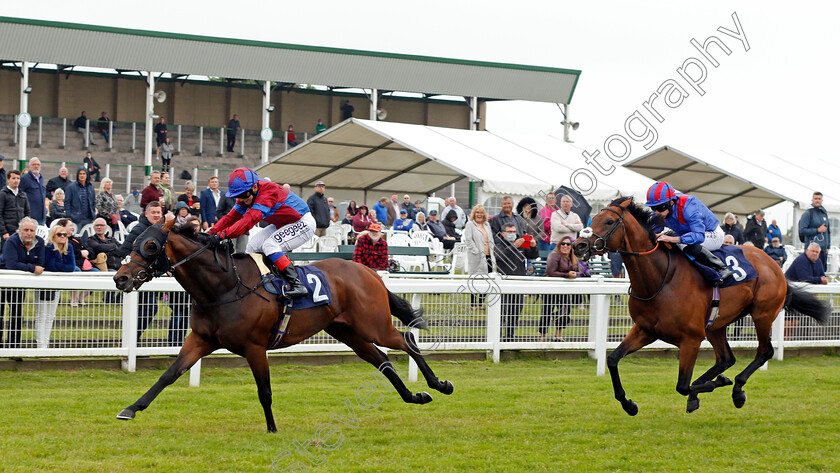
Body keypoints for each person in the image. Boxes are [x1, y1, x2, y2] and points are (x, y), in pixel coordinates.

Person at [209, 168, 314, 298]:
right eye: (237, 196)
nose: (241, 200)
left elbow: (249, 221)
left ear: (254, 187)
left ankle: (297, 284)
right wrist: (211, 233)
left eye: (243, 195)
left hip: (303, 222)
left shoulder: (268, 192)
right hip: (283, 224)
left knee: (270, 245)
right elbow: (230, 218)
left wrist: (222, 235)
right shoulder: (246, 194)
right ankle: (260, 280)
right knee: (252, 246)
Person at [646, 181, 733, 286]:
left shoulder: (689, 207)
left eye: (660, 208)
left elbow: (699, 237)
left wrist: (671, 239)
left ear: (671, 203)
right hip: (689, 233)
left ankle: (721, 268)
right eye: (653, 208)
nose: (657, 213)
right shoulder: (662, 211)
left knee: (687, 246)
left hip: (711, 234)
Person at [119, 201, 165, 341]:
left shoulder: (159, 230)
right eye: (153, 212)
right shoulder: (140, 229)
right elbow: (125, 250)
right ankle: (130, 341)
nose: (156, 215)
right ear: (146, 213)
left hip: (146, 276)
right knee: (148, 308)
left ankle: (131, 341)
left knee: (148, 309)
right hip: (137, 276)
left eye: (158, 212)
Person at [0, 217, 45, 347]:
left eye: (32, 230)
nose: (29, 233)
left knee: (17, 314)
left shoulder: (40, 242)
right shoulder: (12, 241)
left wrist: (30, 267)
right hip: (4, 279)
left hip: (19, 283)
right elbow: (11, 264)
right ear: (20, 230)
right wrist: (31, 268)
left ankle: (14, 347)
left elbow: (41, 264)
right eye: (26, 230)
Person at [37, 225, 76, 348]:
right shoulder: (48, 247)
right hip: (44, 284)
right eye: (59, 234)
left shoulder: (69, 247)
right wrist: (61, 264)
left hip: (56, 284)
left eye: (65, 234)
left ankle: (46, 344)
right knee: (42, 315)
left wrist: (59, 264)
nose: (63, 237)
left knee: (50, 316)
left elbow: (71, 267)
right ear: (53, 236)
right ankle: (40, 346)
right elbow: (51, 266)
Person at [541, 236, 581, 342]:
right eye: (563, 243)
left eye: (568, 244)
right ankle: (543, 337)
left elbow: (579, 271)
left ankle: (558, 335)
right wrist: (567, 275)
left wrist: (575, 274)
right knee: (546, 312)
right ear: (559, 245)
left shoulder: (573, 258)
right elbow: (550, 272)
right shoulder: (554, 255)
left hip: (564, 290)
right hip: (550, 289)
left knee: (565, 311)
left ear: (571, 247)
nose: (565, 246)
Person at [494, 223, 527, 342]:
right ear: (503, 233)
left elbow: (533, 255)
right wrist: (513, 246)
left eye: (514, 231)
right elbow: (499, 257)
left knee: (515, 314)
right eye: (509, 232)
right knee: (501, 313)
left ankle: (510, 337)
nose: (512, 234)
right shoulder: (498, 245)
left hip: (519, 283)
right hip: (504, 285)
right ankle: (497, 338)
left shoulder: (522, 245)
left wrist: (533, 246)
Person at [463, 205, 495, 310]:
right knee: (475, 279)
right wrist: (476, 251)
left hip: (488, 256)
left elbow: (490, 240)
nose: (479, 214)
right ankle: (473, 304)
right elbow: (468, 240)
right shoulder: (470, 224)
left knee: (487, 279)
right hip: (476, 256)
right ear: (474, 214)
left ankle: (481, 303)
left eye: (481, 212)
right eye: (477, 212)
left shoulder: (486, 225)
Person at [798, 191, 830, 271]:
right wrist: (817, 230)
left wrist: (828, 246)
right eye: (815, 198)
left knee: (822, 273)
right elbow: (802, 230)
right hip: (812, 250)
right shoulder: (808, 213)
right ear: (812, 200)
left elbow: (828, 231)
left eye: (819, 199)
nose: (817, 200)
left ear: (822, 200)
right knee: (812, 272)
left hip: (822, 250)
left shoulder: (824, 213)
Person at [0, 170, 31, 250]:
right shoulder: (3, 194)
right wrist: (4, 232)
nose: (16, 180)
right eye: (13, 178)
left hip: (20, 232)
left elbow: (27, 212)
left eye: (18, 178)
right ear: (8, 180)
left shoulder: (23, 195)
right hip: (8, 232)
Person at [19, 157, 47, 225]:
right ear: (29, 166)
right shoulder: (24, 179)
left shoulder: (41, 178)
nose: (36, 166)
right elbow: (20, 196)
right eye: (34, 164)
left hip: (41, 216)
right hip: (31, 217)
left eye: (38, 164)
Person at [517, 197, 543, 270]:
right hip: (521, 246)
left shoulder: (538, 218)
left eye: (529, 206)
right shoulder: (518, 218)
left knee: (531, 269)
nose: (527, 208)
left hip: (533, 248)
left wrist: (534, 239)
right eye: (525, 206)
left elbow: (542, 232)